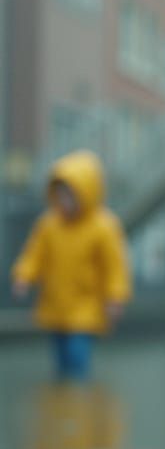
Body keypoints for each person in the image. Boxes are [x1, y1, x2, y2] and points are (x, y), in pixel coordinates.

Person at [10, 149, 132, 380]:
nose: (65, 202)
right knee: (60, 362)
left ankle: (78, 405)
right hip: (54, 305)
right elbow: (34, 255)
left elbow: (115, 267)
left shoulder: (104, 227)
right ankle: (65, 404)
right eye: (60, 195)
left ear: (86, 193)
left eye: (70, 195)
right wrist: (23, 276)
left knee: (77, 361)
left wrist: (115, 297)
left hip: (85, 308)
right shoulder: (48, 225)